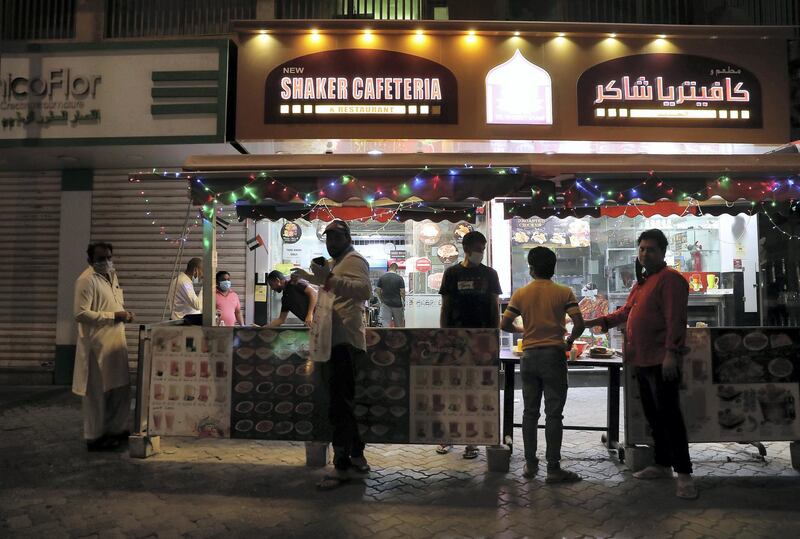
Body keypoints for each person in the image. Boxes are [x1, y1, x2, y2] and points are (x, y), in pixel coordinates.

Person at [585, 229, 697, 500]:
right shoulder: (643, 283)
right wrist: (593, 323)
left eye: (651, 249)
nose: (645, 253)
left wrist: (671, 353)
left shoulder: (670, 280)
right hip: (641, 359)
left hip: (662, 360)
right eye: (642, 249)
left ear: (663, 252)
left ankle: (685, 476)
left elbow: (675, 320)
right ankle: (661, 464)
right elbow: (626, 313)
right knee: (654, 415)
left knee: (671, 417)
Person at [291, 219, 372, 489]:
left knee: (340, 403)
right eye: (328, 238)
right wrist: (308, 277)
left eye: (336, 238)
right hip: (333, 340)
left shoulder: (355, 260)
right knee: (343, 400)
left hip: (345, 341)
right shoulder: (337, 263)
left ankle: (342, 465)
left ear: (347, 238)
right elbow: (332, 286)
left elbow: (364, 290)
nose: (331, 242)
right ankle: (358, 455)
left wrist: (328, 279)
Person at [500, 247, 585, 483]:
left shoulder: (521, 294)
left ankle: (530, 465)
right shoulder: (564, 292)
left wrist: (523, 329)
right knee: (554, 415)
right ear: (553, 267)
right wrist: (569, 341)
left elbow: (504, 324)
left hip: (529, 357)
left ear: (531, 268)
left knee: (529, 412)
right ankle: (554, 469)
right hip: (554, 356)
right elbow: (579, 323)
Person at [437, 230, 501, 459]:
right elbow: (445, 306)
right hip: (455, 339)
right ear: (466, 249)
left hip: (482, 340)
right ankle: (448, 436)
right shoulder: (452, 273)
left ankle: (472, 442)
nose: (480, 254)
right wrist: (444, 336)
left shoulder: (490, 274)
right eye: (478, 249)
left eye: (483, 250)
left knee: (475, 392)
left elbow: (495, 307)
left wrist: (495, 335)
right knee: (452, 389)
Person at [73, 242, 134, 451]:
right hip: (96, 346)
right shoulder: (86, 280)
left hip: (115, 342)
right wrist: (113, 316)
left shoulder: (112, 276)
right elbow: (80, 313)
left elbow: (114, 303)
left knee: (119, 388)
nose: (106, 262)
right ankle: (95, 437)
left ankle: (117, 429)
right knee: (96, 393)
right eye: (101, 259)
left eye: (109, 257)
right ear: (90, 261)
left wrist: (123, 313)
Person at [376, 262, 405, 327]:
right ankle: (399, 336)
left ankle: (386, 337)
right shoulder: (399, 278)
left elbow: (378, 290)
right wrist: (405, 301)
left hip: (385, 304)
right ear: (396, 269)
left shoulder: (382, 277)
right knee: (399, 325)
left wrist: (381, 300)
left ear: (389, 268)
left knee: (385, 325)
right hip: (397, 304)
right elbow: (402, 292)